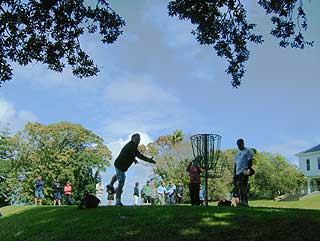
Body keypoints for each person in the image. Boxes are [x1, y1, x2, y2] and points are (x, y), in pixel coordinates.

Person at [106, 133, 156, 206]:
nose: (138, 141)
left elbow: (129, 153)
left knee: (118, 175)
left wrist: (133, 160)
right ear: (132, 139)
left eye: (139, 139)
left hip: (119, 165)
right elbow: (139, 155)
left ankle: (110, 185)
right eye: (137, 139)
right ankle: (118, 201)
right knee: (121, 182)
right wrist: (148, 160)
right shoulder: (131, 145)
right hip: (120, 166)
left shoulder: (132, 146)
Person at [234, 138, 253, 207]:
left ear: (243, 143)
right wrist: (234, 173)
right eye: (238, 145)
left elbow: (250, 161)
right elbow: (236, 164)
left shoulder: (248, 151)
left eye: (240, 144)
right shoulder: (237, 153)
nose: (239, 146)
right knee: (240, 187)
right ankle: (242, 201)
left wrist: (248, 170)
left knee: (242, 186)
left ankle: (245, 202)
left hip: (244, 171)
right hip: (237, 172)